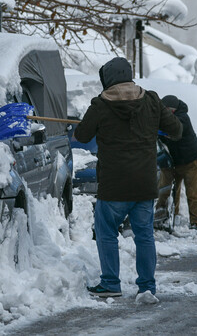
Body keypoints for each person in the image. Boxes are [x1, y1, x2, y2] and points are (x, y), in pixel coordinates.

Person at [74, 57, 182, 303]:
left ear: (108, 79)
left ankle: (111, 283)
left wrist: (95, 121)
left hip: (114, 185)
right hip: (144, 183)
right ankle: (147, 287)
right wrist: (155, 123)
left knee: (106, 233)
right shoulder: (152, 100)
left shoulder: (101, 105)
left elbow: (81, 135)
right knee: (144, 235)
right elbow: (176, 130)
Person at [155, 95, 197, 231]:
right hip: (174, 160)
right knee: (170, 190)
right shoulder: (165, 117)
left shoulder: (182, 118)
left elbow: (173, 130)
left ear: (172, 110)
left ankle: (196, 223)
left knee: (193, 192)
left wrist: (157, 130)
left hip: (192, 159)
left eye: (166, 111)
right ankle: (170, 217)